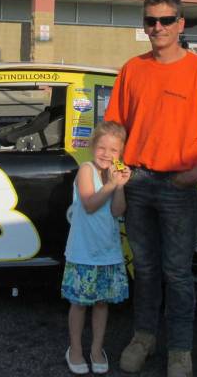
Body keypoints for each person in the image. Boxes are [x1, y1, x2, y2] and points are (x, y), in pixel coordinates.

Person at [104, 0, 197, 377]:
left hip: (178, 188)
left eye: (165, 20)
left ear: (181, 23)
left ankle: (180, 350)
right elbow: (115, 127)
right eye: (151, 20)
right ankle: (143, 338)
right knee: (145, 269)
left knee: (177, 272)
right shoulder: (132, 70)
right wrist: (115, 172)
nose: (157, 27)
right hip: (138, 183)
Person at [61, 121, 132, 375]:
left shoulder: (114, 176)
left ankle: (96, 349)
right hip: (83, 252)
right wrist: (112, 185)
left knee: (102, 303)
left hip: (108, 252)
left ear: (121, 154)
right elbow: (90, 204)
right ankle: (76, 349)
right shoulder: (85, 170)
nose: (106, 154)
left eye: (113, 150)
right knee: (79, 303)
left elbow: (117, 211)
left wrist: (120, 186)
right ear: (93, 147)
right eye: (102, 147)